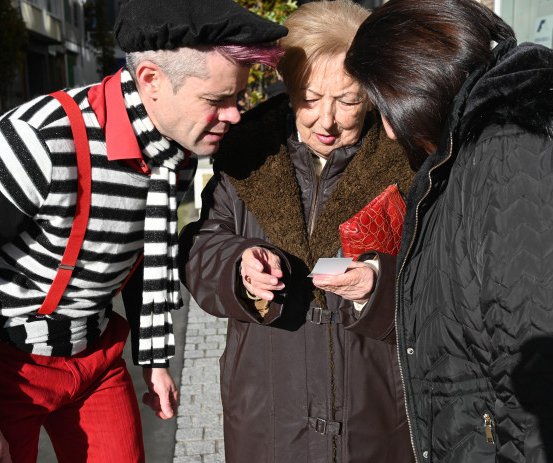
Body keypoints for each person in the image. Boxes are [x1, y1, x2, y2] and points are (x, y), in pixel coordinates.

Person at [0, 0, 286, 461]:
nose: (233, 115)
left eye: (237, 98)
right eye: (217, 100)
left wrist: (153, 359)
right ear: (151, 80)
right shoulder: (39, 140)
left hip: (96, 360)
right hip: (2, 367)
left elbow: (147, 251)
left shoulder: (176, 153)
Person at [343, 0, 553, 461]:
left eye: (386, 107)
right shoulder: (477, 150)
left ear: (418, 82)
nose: (392, 133)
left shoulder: (524, 160)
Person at [180, 1, 418, 462]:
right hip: (268, 416)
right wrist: (237, 264)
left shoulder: (406, 157)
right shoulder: (248, 152)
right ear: (286, 86)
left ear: (372, 92)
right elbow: (200, 242)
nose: (326, 121)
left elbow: (444, 276)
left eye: (348, 101)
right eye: (308, 98)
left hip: (373, 417)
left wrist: (378, 284)